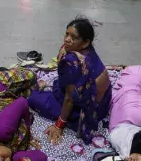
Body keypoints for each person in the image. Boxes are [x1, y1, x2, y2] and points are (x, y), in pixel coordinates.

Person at [28, 17, 112, 145]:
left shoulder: (71, 62)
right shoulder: (88, 51)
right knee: (61, 83)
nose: (67, 39)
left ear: (85, 43)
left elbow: (69, 99)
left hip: (82, 112)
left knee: (32, 99)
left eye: (73, 37)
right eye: (67, 34)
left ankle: (43, 90)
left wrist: (59, 125)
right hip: (101, 107)